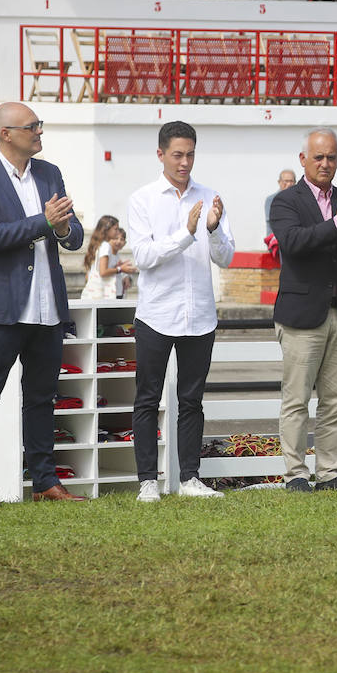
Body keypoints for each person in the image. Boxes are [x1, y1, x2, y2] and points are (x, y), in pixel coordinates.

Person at [0, 103, 85, 505]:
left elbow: (73, 233)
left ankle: (46, 481)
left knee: (41, 397)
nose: (39, 132)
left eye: (39, 125)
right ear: (6, 134)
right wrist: (44, 222)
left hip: (47, 306)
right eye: (32, 126)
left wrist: (64, 228)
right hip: (3, 307)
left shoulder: (49, 173)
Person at [128, 121, 236, 503]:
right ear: (161, 154)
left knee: (192, 399)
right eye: (177, 154)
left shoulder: (210, 196)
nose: (185, 162)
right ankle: (147, 482)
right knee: (147, 398)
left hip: (200, 314)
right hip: (157, 312)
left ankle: (190, 478)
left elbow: (225, 257)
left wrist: (214, 228)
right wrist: (187, 234)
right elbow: (143, 257)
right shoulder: (143, 198)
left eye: (190, 154)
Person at [269, 129, 337, 492]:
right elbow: (295, 243)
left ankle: (330, 473)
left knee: (335, 401)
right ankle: (296, 474)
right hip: (301, 315)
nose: (325, 164)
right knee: (297, 400)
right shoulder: (286, 201)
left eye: (331, 157)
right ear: (303, 160)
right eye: (318, 157)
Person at [79, 215, 121, 299]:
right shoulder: (106, 246)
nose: (118, 232)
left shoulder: (97, 244)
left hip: (92, 290)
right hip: (100, 293)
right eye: (115, 229)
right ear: (106, 229)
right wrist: (120, 269)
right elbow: (103, 271)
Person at [263, 168, 297, 260]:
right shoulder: (271, 199)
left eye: (291, 181)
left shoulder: (298, 199)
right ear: (279, 182)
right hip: (275, 238)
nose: (289, 184)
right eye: (286, 181)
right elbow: (271, 222)